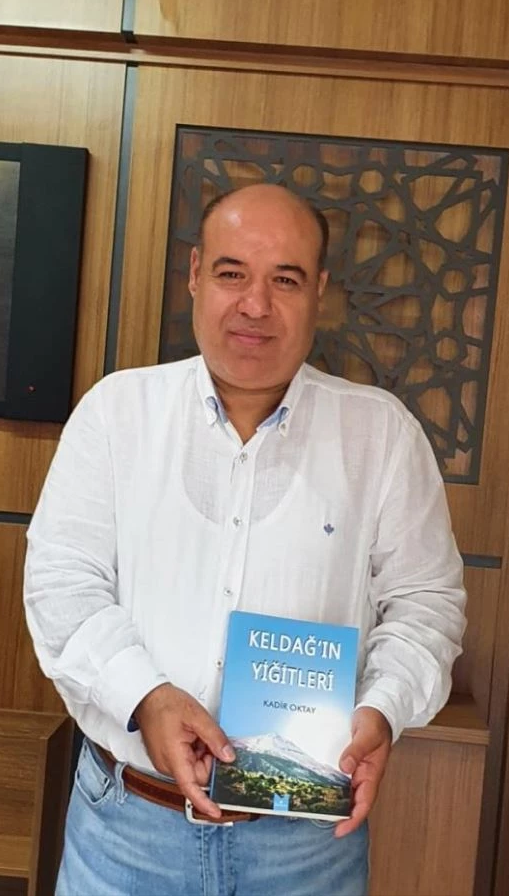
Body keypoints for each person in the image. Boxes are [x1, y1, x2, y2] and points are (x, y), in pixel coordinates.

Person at [24, 183, 466, 896]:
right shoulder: (116, 414)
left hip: (306, 845)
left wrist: (383, 708)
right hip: (127, 831)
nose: (255, 305)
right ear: (196, 274)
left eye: (285, 279)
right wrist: (147, 697)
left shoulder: (381, 435)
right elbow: (61, 586)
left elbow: (427, 606)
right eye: (232, 273)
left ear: (318, 291)